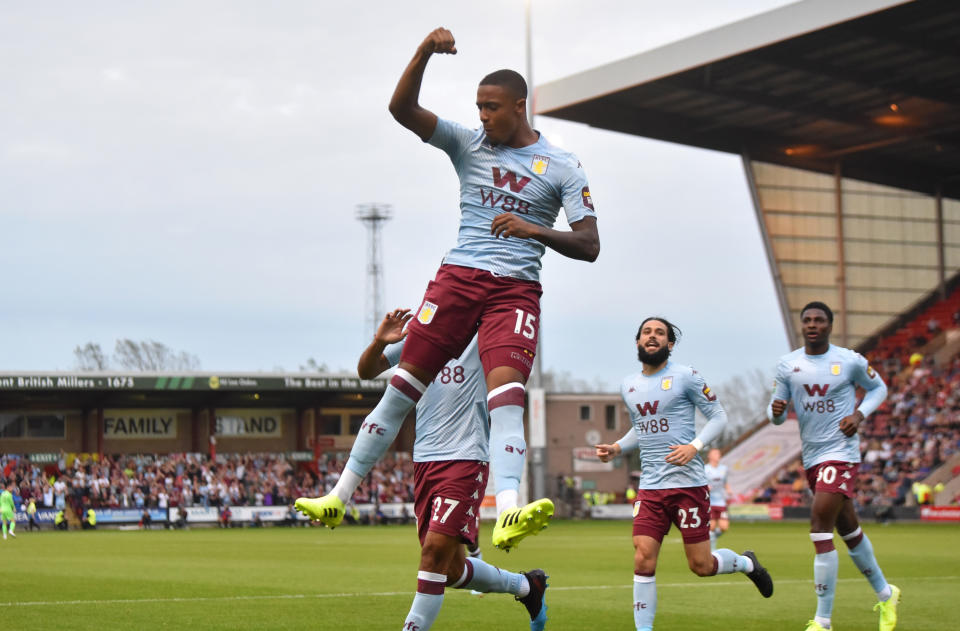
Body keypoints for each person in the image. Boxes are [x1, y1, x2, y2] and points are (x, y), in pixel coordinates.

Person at [297, 27, 600, 551]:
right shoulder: (467, 143)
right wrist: (423, 53)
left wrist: (536, 230)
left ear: (519, 107)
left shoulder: (565, 167)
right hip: (458, 279)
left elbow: (589, 243)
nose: (481, 115)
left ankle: (507, 509)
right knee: (402, 390)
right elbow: (400, 108)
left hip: (515, 290)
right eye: (478, 106)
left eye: (491, 106)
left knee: (507, 397)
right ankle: (338, 496)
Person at [300, 309, 549, 630]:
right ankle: (528, 587)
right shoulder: (428, 329)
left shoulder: (489, 333)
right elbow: (366, 370)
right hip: (425, 462)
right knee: (449, 570)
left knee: (432, 556)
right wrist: (379, 341)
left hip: (465, 458)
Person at [596, 317, 773, 631]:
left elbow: (718, 417)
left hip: (688, 485)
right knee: (643, 557)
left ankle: (746, 563)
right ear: (638, 342)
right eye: (647, 332)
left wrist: (695, 445)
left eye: (660, 333)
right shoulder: (629, 385)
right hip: (651, 488)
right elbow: (641, 428)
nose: (653, 337)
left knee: (701, 566)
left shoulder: (685, 376)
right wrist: (617, 448)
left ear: (670, 344)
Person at [768, 301, 899, 631]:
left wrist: (858, 415)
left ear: (829, 325)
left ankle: (823, 621)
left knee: (819, 525)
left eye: (819, 320)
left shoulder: (849, 360)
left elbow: (878, 388)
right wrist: (778, 409)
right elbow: (775, 415)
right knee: (849, 531)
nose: (813, 324)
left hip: (840, 453)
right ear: (802, 326)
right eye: (807, 320)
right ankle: (886, 594)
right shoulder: (788, 365)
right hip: (812, 456)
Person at [704, 448, 733, 551]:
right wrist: (706, 488)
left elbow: (725, 482)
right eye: (715, 453)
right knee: (711, 527)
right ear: (709, 456)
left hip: (721, 502)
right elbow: (700, 483)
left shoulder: (724, 469)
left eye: (719, 453)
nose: (718, 455)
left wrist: (729, 490)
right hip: (710, 502)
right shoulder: (705, 469)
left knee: (724, 527)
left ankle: (712, 538)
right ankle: (712, 551)